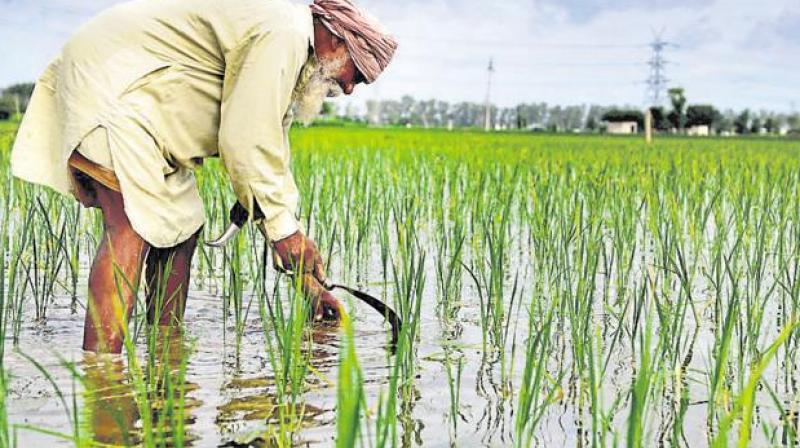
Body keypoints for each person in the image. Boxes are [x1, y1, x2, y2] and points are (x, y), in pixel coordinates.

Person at [10, 0, 397, 353]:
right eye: (356, 75)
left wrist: (310, 285)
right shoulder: (285, 32)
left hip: (146, 114)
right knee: (130, 226)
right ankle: (102, 373)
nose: (347, 88)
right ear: (333, 37)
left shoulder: (286, 44)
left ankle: (167, 352)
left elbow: (268, 159)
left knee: (183, 229)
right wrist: (286, 234)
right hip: (112, 91)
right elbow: (247, 139)